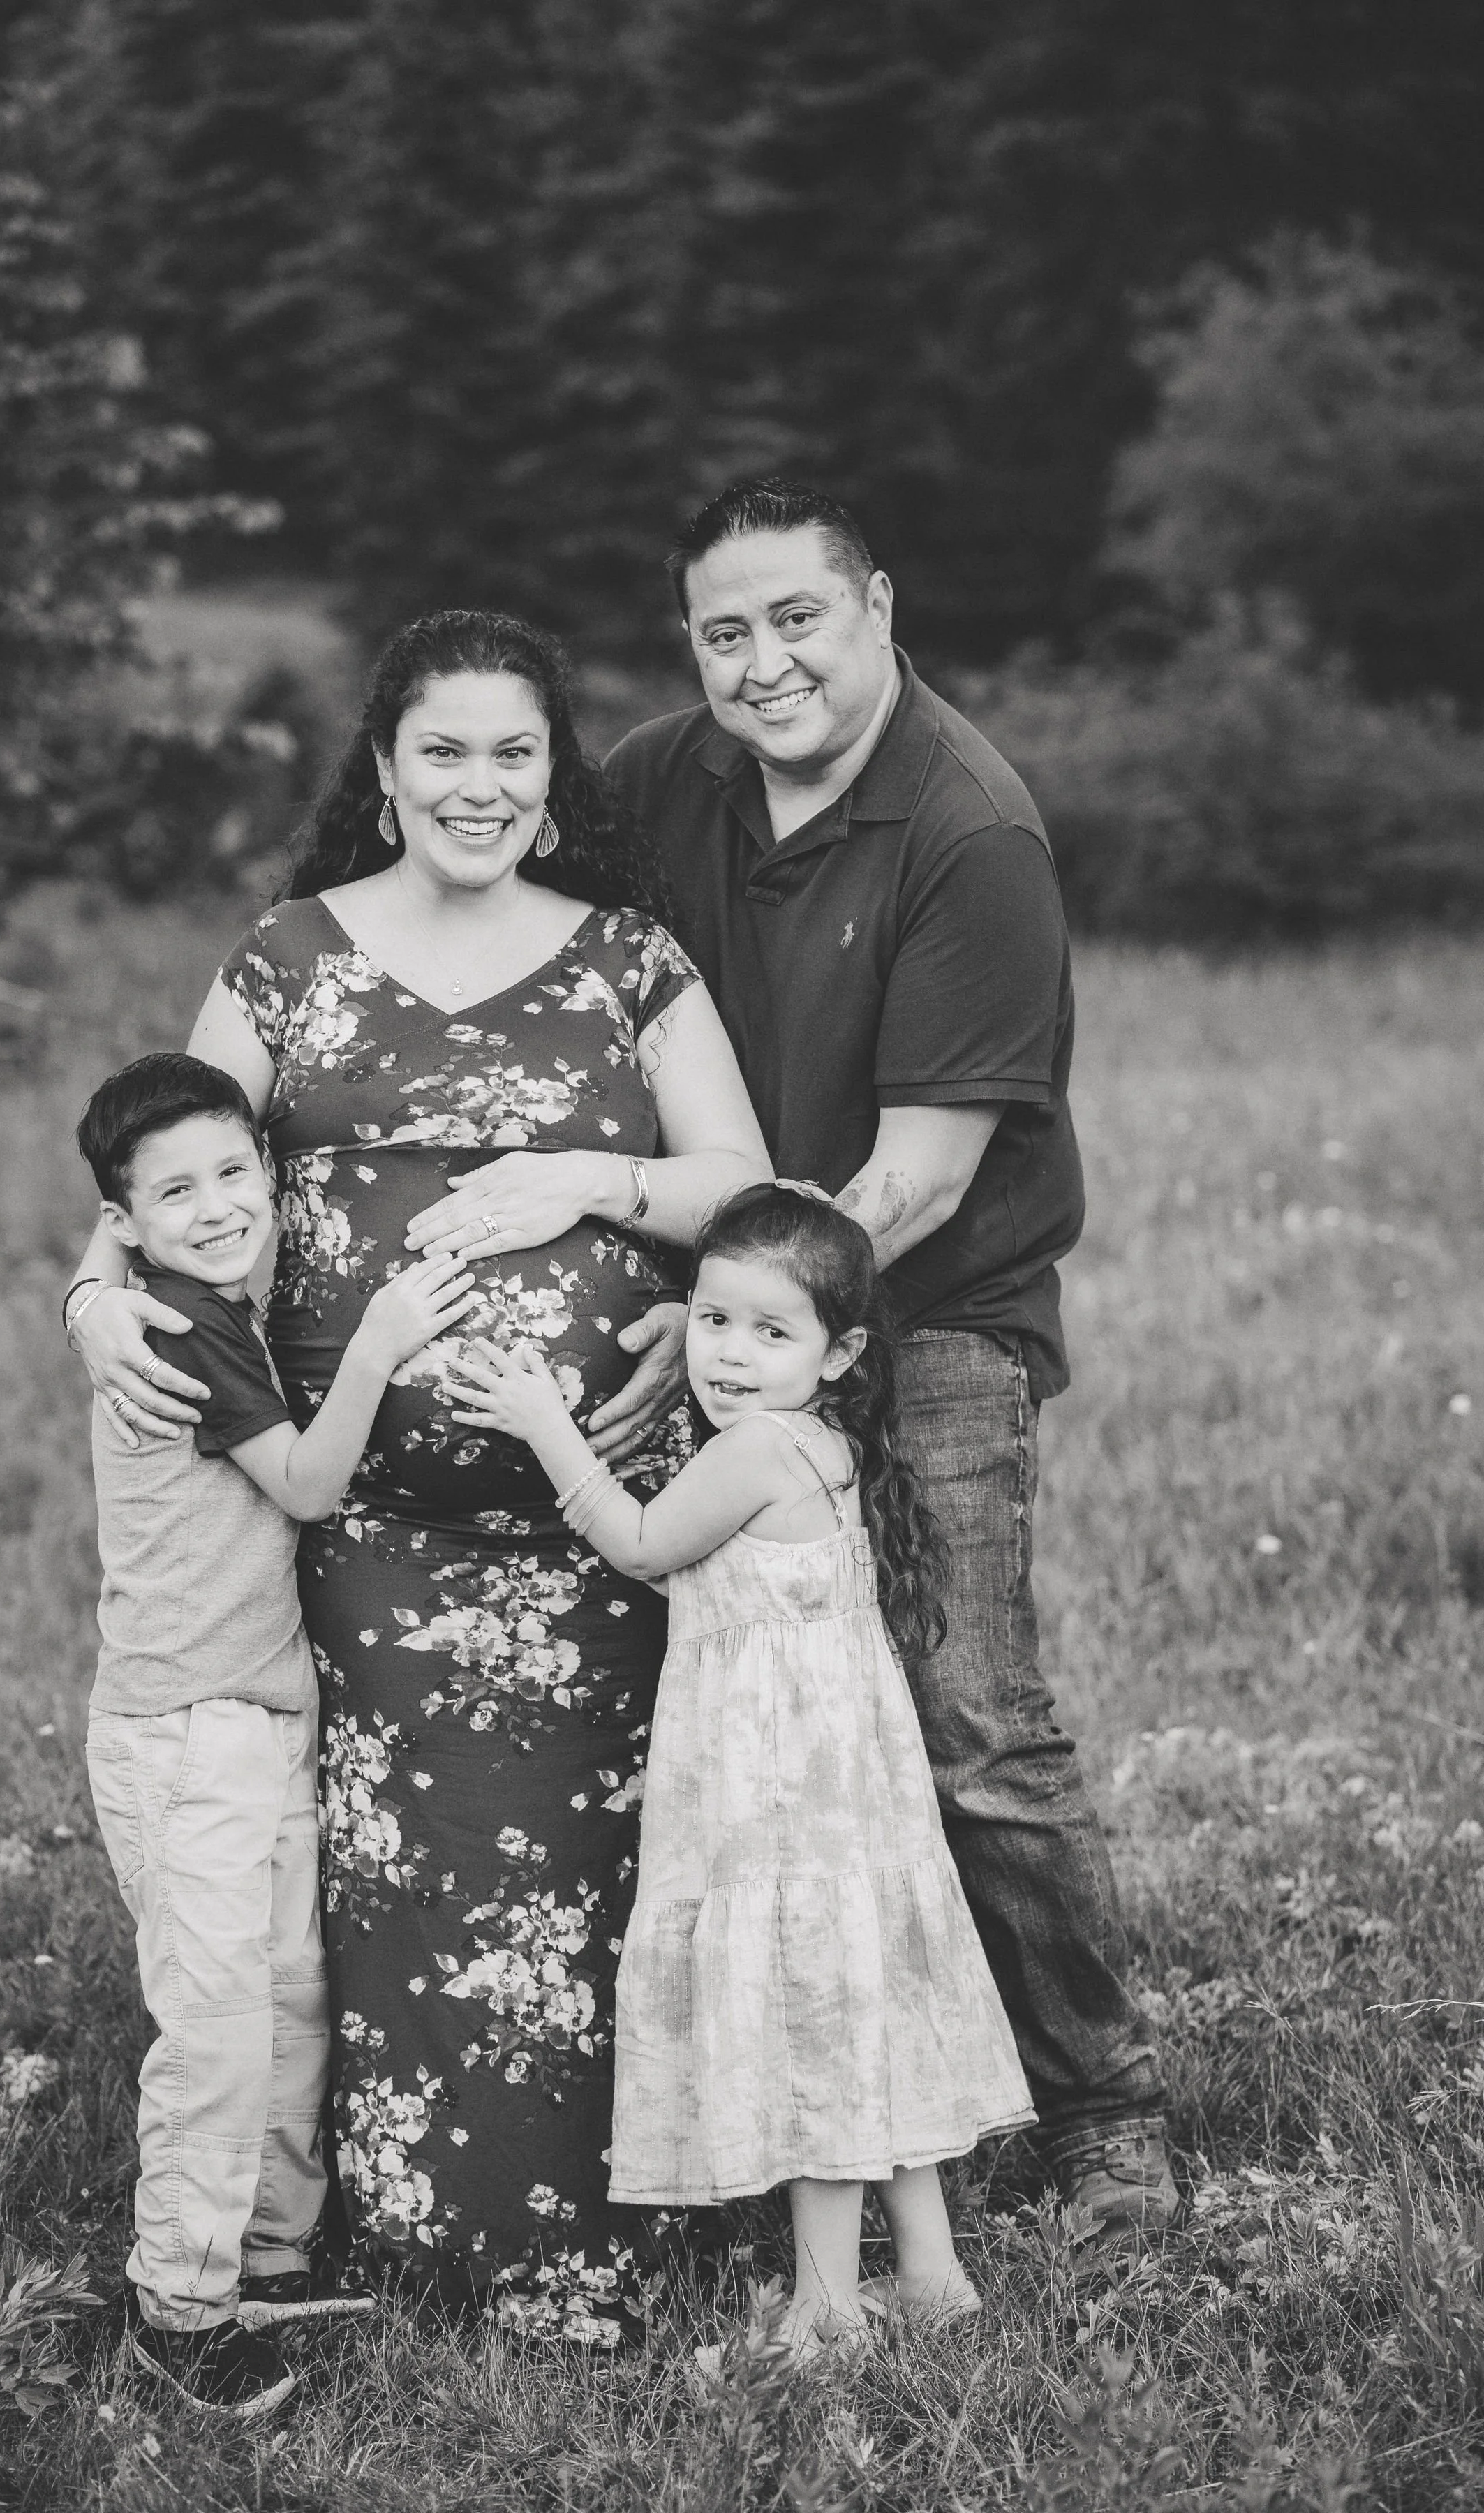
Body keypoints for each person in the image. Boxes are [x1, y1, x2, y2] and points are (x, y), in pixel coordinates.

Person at [65, 611, 772, 2343]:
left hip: (601, 1512)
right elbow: (160, 1159)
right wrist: (90, 1290)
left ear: (552, 782)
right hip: (363, 1526)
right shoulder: (288, 957)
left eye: (513, 752)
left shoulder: (628, 960)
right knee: (398, 1874)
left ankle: (633, 2224)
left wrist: (589, 1181)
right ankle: (402, 2234)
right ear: (384, 772)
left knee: (601, 1872)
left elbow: (746, 1184)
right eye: (442, 750)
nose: (478, 783)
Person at [600, 478, 1178, 2250]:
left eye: (798, 619)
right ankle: (751, 2097)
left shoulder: (967, 825)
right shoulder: (647, 786)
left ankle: (1100, 2113)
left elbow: (916, 1179)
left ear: (878, 609)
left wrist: (747, 1323)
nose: (762, 664)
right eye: (723, 631)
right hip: (720, 1315)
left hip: (928, 1316)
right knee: (719, 1716)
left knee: (966, 1723)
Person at [447, 1183, 1034, 2353]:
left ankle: (823, 2315)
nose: (732, 1354)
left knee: (811, 2029)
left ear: (839, 1352)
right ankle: (932, 2276)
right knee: (864, 2026)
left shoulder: (759, 1451)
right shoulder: (821, 1442)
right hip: (843, 1801)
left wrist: (538, 1419)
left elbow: (645, 1544)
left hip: (783, 1802)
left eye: (774, 1333)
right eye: (714, 1320)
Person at [74, 1051, 477, 2418]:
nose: (214, 1205)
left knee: (294, 1998)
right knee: (219, 2030)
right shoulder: (180, 1331)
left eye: (234, 1173)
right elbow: (307, 1481)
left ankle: (268, 2254)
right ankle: (177, 2310)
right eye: (173, 1190)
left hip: (253, 1717)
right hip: (187, 1730)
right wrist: (380, 1338)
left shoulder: (211, 1310)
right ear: (123, 1221)